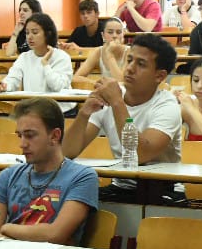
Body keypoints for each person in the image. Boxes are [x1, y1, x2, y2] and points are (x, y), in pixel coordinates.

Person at [64, 33, 183, 190]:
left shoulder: (167, 105)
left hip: (163, 190)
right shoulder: (111, 95)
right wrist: (83, 114)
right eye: (129, 60)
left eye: (141, 64)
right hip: (121, 186)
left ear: (159, 76)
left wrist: (117, 102)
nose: (130, 68)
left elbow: (140, 154)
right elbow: (67, 152)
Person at [0, 98, 100, 246]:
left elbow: (55, 235)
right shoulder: (8, 175)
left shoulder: (82, 177)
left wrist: (7, 228)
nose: (22, 144)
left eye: (30, 135)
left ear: (55, 136)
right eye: (20, 135)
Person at [0, 12, 73, 107]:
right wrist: (4, 85)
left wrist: (45, 64)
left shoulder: (62, 57)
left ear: (48, 34)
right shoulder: (24, 57)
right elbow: (13, 78)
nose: (29, 37)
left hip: (60, 109)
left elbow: (57, 86)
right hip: (34, 109)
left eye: (35, 32)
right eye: (27, 33)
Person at [75, 17, 127, 82]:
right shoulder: (99, 51)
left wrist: (110, 55)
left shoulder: (129, 52)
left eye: (118, 32)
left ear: (123, 34)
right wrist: (97, 84)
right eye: (110, 32)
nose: (114, 36)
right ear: (103, 35)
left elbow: (121, 81)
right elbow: (76, 77)